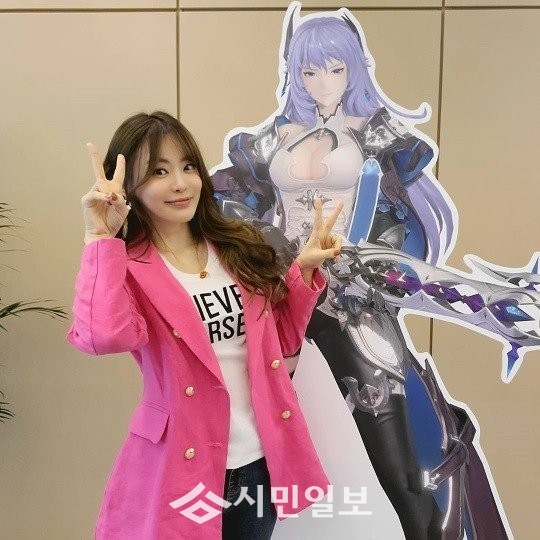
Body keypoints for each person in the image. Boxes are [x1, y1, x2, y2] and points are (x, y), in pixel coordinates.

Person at [210, 6, 528, 539]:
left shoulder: (379, 136)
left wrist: (375, 256)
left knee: (400, 457)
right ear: (294, 72)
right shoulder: (266, 142)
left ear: (355, 69)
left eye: (336, 69)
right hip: (283, 293)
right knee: (243, 439)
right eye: (310, 71)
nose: (322, 83)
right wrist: (269, 249)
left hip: (352, 298)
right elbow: (229, 205)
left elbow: (408, 220)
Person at [66, 111, 343, 539]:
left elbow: (279, 345)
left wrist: (302, 273)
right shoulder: (128, 266)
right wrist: (100, 239)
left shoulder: (236, 247)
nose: (180, 183)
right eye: (159, 172)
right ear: (129, 187)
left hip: (256, 464)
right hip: (180, 461)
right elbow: (103, 336)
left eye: (188, 166)